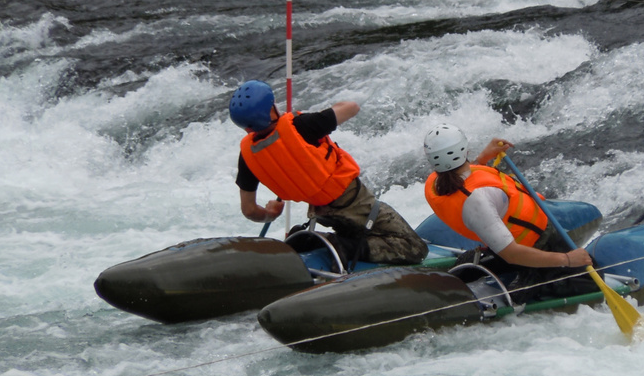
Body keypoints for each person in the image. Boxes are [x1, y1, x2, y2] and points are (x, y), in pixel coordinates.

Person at [230, 80, 428, 265]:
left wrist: (269, 213)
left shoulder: (247, 155)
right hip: (356, 204)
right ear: (272, 111)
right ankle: (342, 246)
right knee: (415, 248)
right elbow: (351, 107)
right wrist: (303, 116)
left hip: (322, 211)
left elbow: (249, 210)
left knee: (367, 232)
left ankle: (315, 241)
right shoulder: (302, 125)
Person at [422, 123, 593, 302]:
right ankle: (533, 276)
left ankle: (487, 260)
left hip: (504, 240)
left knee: (502, 250)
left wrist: (482, 159)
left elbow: (461, 180)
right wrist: (567, 259)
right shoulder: (477, 200)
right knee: (589, 282)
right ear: (465, 149)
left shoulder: (436, 183)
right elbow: (511, 253)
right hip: (528, 246)